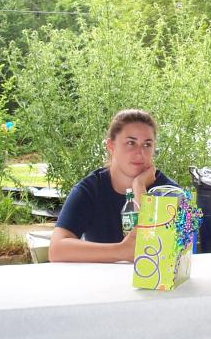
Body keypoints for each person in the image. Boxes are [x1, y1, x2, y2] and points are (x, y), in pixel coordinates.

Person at [49, 109, 179, 263]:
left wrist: (139, 188)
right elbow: (56, 250)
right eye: (131, 143)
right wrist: (121, 251)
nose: (140, 153)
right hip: (102, 277)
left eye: (147, 144)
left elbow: (159, 249)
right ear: (111, 146)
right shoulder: (91, 189)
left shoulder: (168, 192)